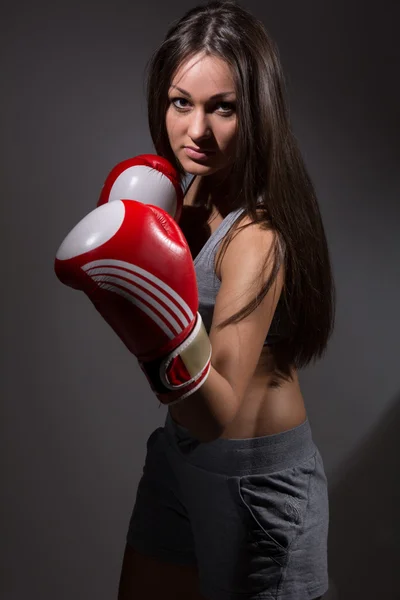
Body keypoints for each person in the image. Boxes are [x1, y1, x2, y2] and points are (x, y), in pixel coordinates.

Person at [116, 1, 335, 598]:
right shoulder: (179, 199)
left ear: (257, 113)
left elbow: (215, 411)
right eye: (181, 102)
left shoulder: (257, 237)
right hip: (179, 455)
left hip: (256, 483)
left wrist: (134, 309)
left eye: (224, 109)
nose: (197, 131)